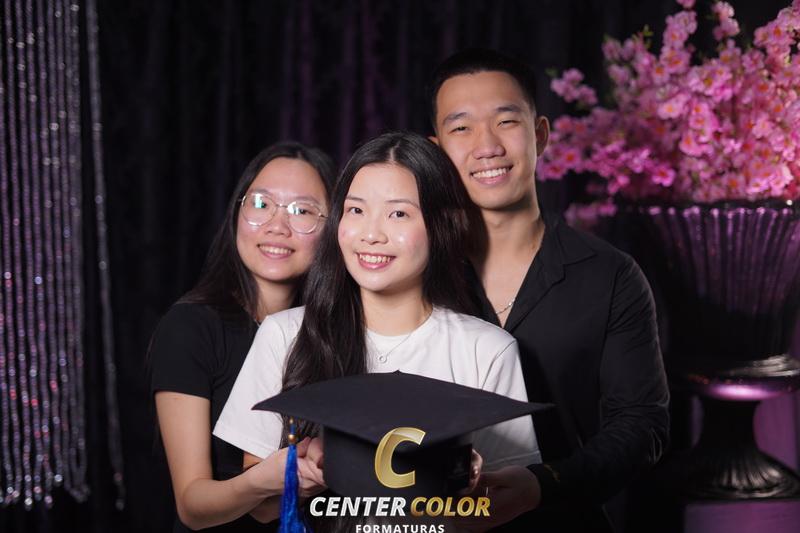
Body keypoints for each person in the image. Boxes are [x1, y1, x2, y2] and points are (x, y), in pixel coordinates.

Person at [213, 131, 541, 525]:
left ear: (444, 223)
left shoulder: (487, 349)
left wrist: (462, 481)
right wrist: (300, 474)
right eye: (356, 210)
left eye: (398, 214)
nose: (371, 234)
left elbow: (504, 504)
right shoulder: (284, 335)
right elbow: (264, 511)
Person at [428, 48, 670, 532]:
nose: (487, 146)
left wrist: (544, 484)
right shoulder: (417, 270)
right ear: (436, 150)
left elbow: (642, 425)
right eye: (462, 128)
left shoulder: (610, 275)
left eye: (505, 122)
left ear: (539, 133)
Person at [149, 141, 335, 532]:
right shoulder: (190, 329)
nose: (277, 226)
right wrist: (265, 480)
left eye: (302, 211)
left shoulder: (334, 334)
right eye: (262, 204)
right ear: (237, 211)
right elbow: (192, 505)